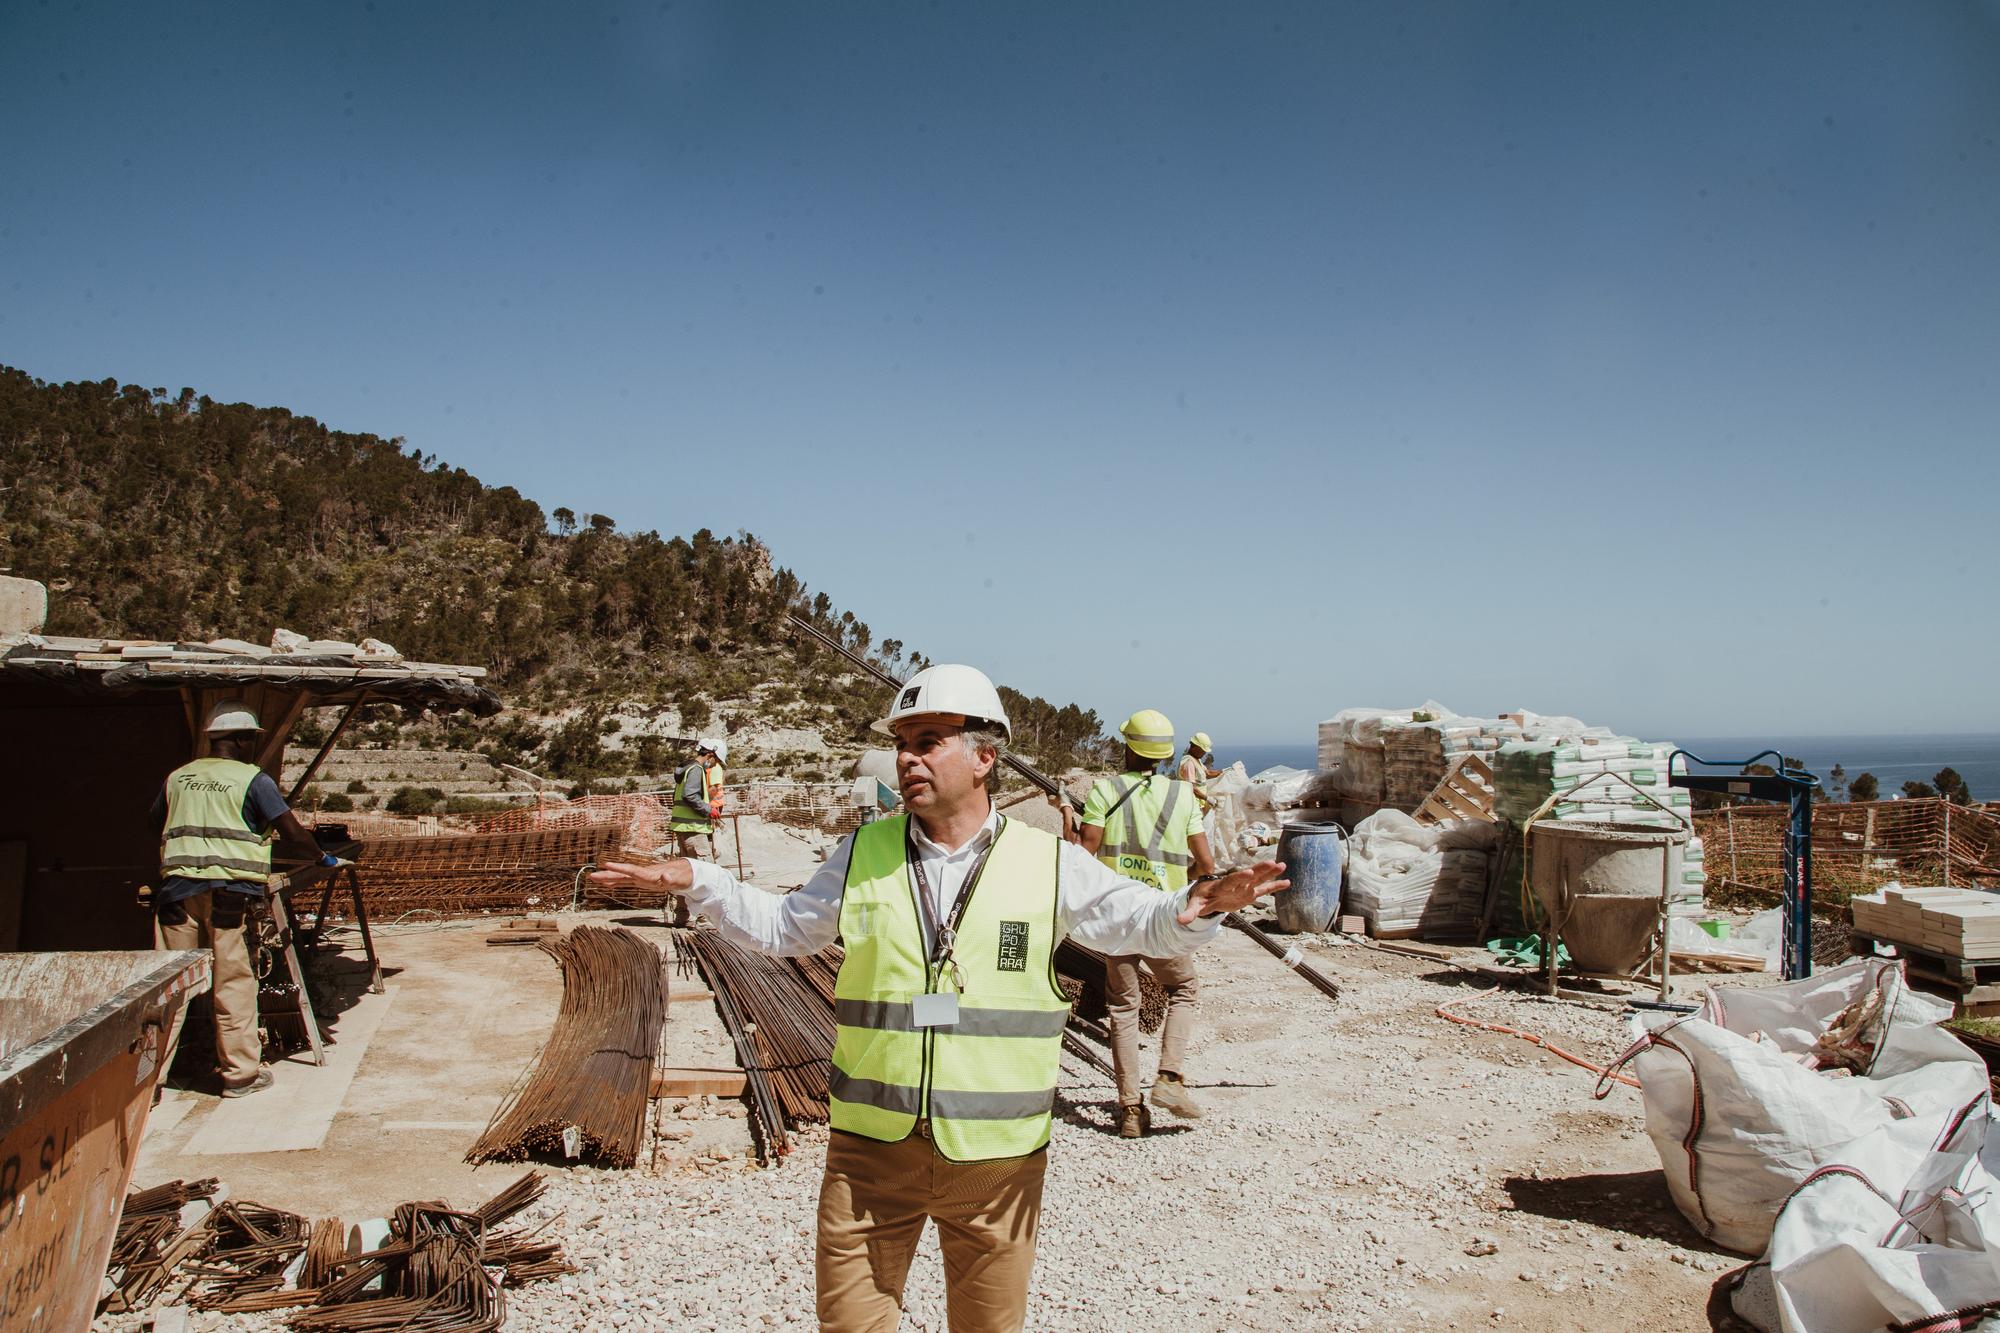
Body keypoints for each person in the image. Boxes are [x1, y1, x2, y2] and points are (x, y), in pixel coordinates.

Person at [590, 665, 1287, 1333]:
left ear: (985, 757)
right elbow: (783, 928)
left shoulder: (1047, 861)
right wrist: (698, 878)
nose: (907, 760)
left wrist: (1197, 903)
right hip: (869, 1158)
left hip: (997, 1162)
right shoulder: (863, 852)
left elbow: (1138, 918)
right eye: (900, 744)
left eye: (928, 742)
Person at [152, 701, 333, 1098]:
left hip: (176, 897)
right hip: (228, 898)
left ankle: (148, 1079)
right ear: (240, 739)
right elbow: (292, 832)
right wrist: (321, 856)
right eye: (250, 739)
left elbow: (156, 825)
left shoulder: (178, 778)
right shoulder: (253, 780)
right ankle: (239, 1075)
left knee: (164, 988)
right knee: (231, 982)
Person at [1076, 709, 1215, 1138]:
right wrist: (1178, 884)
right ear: (1164, 755)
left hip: (1118, 919)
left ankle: (1131, 1108)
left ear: (1127, 747)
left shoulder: (1103, 792)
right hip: (1163, 915)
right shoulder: (1183, 797)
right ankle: (1170, 1079)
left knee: (1123, 1009)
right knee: (1184, 989)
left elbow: (1082, 856)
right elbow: (1207, 866)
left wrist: (1066, 814)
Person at [663, 736, 727, 925]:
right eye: (715, 760)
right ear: (710, 754)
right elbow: (690, 795)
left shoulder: (687, 768)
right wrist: (709, 809)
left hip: (682, 828)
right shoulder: (696, 769)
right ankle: (705, 919)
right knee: (706, 874)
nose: (714, 764)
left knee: (685, 874)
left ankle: (681, 915)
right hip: (694, 829)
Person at [1179, 731, 1223, 813]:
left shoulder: (1196, 759)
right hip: (1193, 805)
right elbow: (1191, 788)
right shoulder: (1189, 763)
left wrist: (1223, 772)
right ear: (1195, 747)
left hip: (1199, 803)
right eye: (1203, 750)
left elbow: (1207, 773)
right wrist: (1207, 799)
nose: (1204, 753)